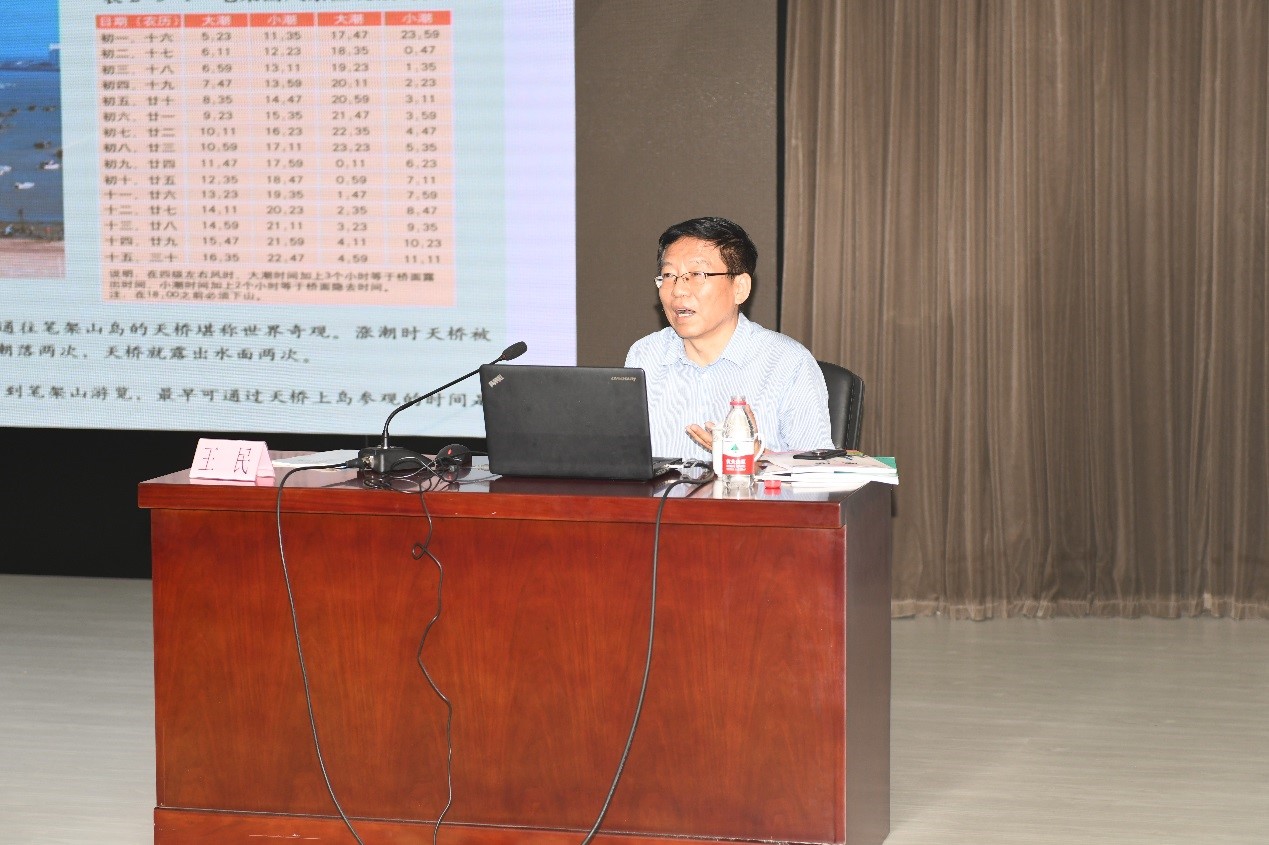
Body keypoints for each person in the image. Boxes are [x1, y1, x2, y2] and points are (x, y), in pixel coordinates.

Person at [626, 216, 833, 458]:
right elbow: (624, 458)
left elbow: (818, 470)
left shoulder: (787, 363)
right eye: (669, 275)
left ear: (740, 288)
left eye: (697, 274)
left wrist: (757, 458)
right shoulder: (645, 355)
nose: (678, 290)